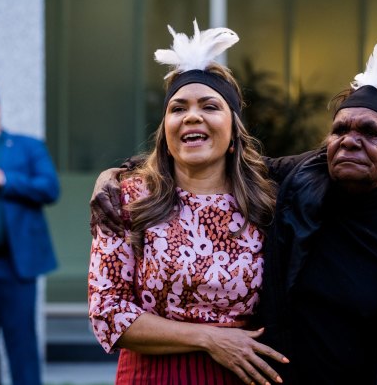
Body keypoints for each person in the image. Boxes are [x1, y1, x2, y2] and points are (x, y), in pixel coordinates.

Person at [91, 42, 377, 384]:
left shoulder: (268, 198)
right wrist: (110, 175)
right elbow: (108, 311)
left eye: (370, 133)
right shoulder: (289, 193)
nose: (351, 142)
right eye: (339, 131)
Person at [87, 21, 288, 385]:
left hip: (243, 375)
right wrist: (210, 339)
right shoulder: (124, 200)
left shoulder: (268, 205)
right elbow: (108, 313)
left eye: (209, 106)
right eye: (178, 108)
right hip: (152, 377)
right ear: (166, 131)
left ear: (233, 132)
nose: (192, 115)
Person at [0, 86, 60, 385]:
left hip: (15, 266)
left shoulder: (27, 146)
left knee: (22, 347)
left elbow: (49, 188)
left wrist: (4, 179)